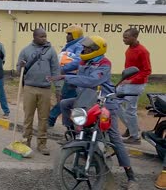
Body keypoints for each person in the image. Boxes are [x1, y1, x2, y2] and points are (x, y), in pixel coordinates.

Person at [50, 36, 138, 188]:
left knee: (115, 138)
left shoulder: (104, 64)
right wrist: (63, 76)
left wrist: (67, 77)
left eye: (88, 49)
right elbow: (80, 78)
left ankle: (131, 176)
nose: (84, 50)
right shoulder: (84, 61)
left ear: (97, 50)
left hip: (105, 102)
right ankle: (72, 133)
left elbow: (91, 81)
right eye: (84, 48)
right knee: (65, 104)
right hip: (87, 101)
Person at [17, 28, 59, 155]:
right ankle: (26, 142)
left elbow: (56, 70)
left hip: (45, 89)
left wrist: (57, 88)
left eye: (45, 36)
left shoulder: (51, 51)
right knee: (28, 117)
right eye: (41, 36)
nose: (44, 38)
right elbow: (19, 70)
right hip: (30, 88)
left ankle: (42, 144)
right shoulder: (26, 50)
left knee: (43, 118)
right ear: (34, 36)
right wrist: (22, 66)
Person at [118, 28, 151, 145]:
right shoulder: (129, 49)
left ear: (134, 37)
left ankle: (135, 137)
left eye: (126, 37)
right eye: (123, 37)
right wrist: (124, 80)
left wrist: (131, 81)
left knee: (130, 110)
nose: (124, 39)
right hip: (126, 82)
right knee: (113, 102)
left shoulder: (143, 51)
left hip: (136, 84)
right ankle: (131, 127)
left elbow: (147, 71)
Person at [48, 25, 84, 127]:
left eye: (69, 34)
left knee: (65, 99)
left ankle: (51, 118)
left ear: (75, 35)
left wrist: (64, 68)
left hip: (73, 77)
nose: (67, 36)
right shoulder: (71, 45)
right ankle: (70, 125)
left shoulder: (79, 46)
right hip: (68, 76)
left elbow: (78, 60)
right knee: (69, 100)